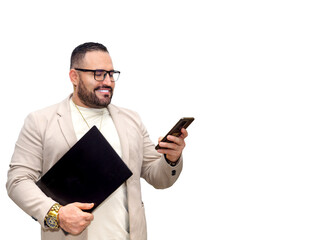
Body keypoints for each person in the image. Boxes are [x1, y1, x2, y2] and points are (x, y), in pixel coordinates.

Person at [6, 42, 188, 240]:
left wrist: (171, 158)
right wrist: (56, 213)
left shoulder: (131, 120)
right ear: (74, 77)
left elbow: (158, 177)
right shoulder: (40, 121)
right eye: (99, 74)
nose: (108, 81)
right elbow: (18, 180)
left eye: (111, 74)